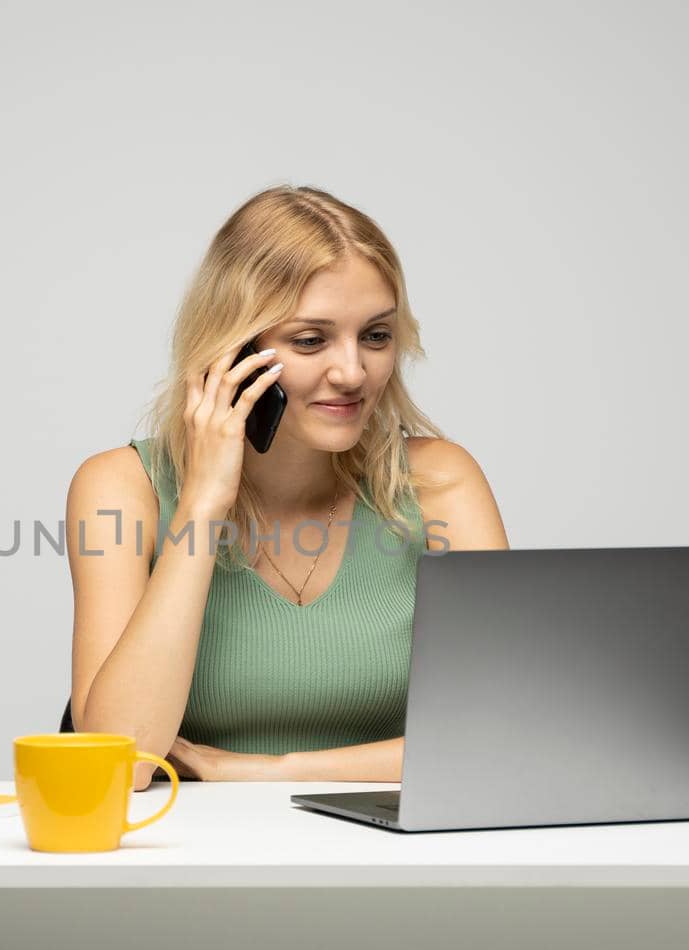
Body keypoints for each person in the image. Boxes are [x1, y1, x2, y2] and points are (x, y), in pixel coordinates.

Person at [66, 184, 508, 791]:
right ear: (232, 349)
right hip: (186, 857)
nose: (352, 372)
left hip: (390, 854)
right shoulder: (120, 488)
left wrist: (271, 770)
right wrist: (202, 503)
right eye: (310, 340)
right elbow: (118, 760)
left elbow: (502, 734)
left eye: (375, 336)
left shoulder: (440, 483)